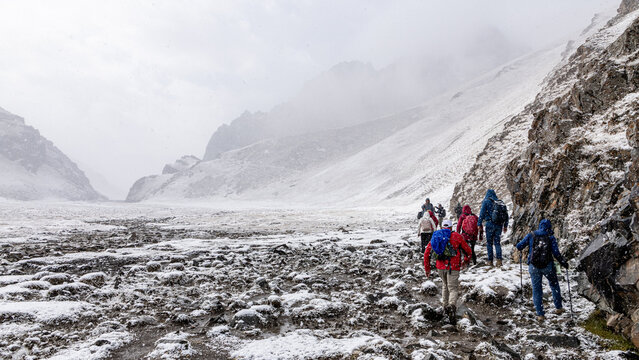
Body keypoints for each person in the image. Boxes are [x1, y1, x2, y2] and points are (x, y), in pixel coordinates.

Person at [515, 219, 568, 321]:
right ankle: (558, 308)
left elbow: (519, 246)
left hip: (534, 266)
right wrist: (563, 263)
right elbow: (556, 253)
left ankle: (540, 314)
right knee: (554, 285)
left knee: (536, 289)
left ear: (540, 226)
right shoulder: (550, 237)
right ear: (549, 227)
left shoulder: (531, 235)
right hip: (548, 265)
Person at [424, 220, 472, 323]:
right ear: (451, 227)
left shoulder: (437, 236)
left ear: (442, 226)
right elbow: (468, 251)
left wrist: (427, 269)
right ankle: (452, 306)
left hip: (440, 267)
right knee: (453, 288)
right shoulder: (456, 236)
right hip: (453, 266)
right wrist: (466, 261)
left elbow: (427, 253)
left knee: (445, 285)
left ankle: (445, 307)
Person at [478, 189, 508, 267]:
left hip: (489, 225)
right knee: (497, 243)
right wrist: (505, 226)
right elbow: (506, 215)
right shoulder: (500, 202)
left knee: (489, 243)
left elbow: (482, 213)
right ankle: (499, 261)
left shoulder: (486, 201)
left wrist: (479, 224)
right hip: (499, 225)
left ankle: (490, 261)